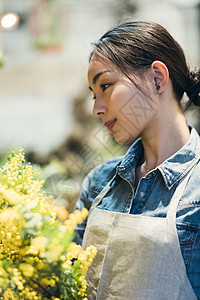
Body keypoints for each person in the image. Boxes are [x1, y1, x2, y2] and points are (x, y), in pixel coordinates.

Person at [74, 21, 200, 299]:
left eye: (105, 86)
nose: (97, 108)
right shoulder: (99, 183)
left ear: (157, 78)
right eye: (94, 94)